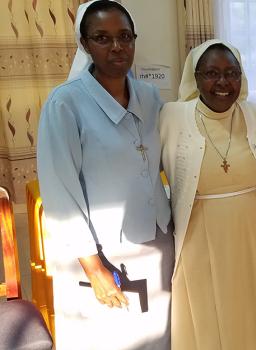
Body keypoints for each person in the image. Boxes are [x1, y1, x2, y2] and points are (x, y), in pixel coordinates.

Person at [37, 1, 173, 349]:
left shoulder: (149, 95)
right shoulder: (65, 104)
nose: (116, 46)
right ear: (84, 44)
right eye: (102, 37)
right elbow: (60, 195)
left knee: (160, 335)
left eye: (125, 37)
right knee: (113, 338)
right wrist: (94, 268)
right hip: (103, 251)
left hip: (157, 239)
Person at [159, 39, 256, 350]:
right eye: (212, 73)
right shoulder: (172, 117)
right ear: (196, 76)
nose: (223, 82)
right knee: (208, 313)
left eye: (232, 73)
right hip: (200, 236)